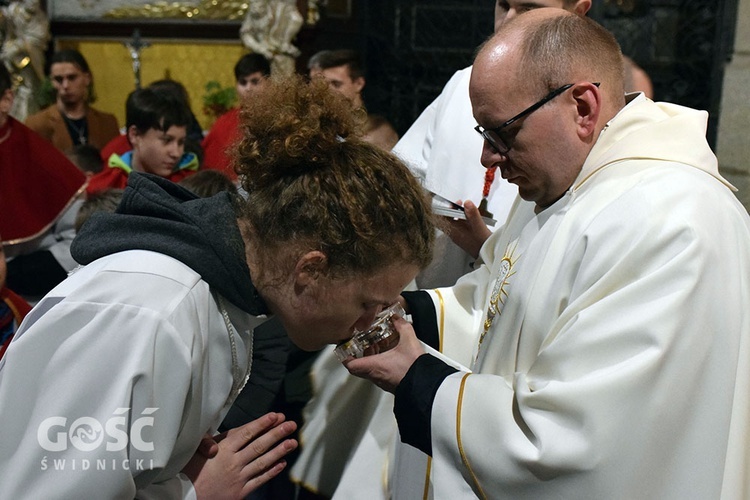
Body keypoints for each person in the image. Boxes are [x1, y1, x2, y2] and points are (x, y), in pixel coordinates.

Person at [345, 9, 750, 498]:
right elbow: (501, 300)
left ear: (583, 107)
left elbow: (580, 445)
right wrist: (409, 314)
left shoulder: (672, 219)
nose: (487, 158)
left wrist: (420, 380)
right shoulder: (566, 184)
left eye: (502, 132)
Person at [0, 73, 436, 498]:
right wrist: (193, 493)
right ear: (311, 270)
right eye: (367, 303)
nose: (367, 324)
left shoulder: (228, 295)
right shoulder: (148, 316)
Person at [394, 0, 655, 289]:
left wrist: (488, 248)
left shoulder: (592, 126)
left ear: (578, 12)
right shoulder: (464, 84)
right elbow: (401, 178)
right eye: (503, 5)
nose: (508, 21)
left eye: (529, 9)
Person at [0, 63, 86, 302]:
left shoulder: (41, 159)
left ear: (6, 100)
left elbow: (77, 242)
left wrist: (15, 273)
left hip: (26, 299)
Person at [86, 86, 199, 195]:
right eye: (166, 140)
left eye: (181, 142)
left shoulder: (193, 185)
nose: (176, 153)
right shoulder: (104, 188)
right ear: (135, 135)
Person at [25, 49, 119, 153]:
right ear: (52, 82)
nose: (65, 86)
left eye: (72, 78)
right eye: (59, 79)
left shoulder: (107, 123)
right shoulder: (37, 124)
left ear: (87, 78)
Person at [308, 49, 399, 151]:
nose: (327, 91)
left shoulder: (378, 132)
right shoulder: (314, 128)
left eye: (336, 84)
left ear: (358, 84)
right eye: (321, 85)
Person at [202, 53, 271, 180]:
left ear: (269, 82)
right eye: (243, 82)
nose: (248, 89)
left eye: (255, 82)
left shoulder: (279, 119)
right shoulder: (224, 122)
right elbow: (210, 167)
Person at [0, 0, 49, 122]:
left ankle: (28, 116)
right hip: (12, 61)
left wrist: (19, 46)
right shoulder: (14, 9)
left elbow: (38, 38)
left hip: (29, 60)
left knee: (29, 89)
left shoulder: (39, 19)